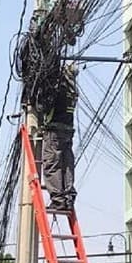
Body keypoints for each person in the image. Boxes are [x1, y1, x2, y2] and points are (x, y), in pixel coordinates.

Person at [42, 63, 78, 212]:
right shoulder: (73, 90)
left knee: (52, 165)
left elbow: (42, 106)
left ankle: (58, 200)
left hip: (54, 132)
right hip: (68, 131)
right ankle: (68, 198)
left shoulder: (57, 89)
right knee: (67, 165)